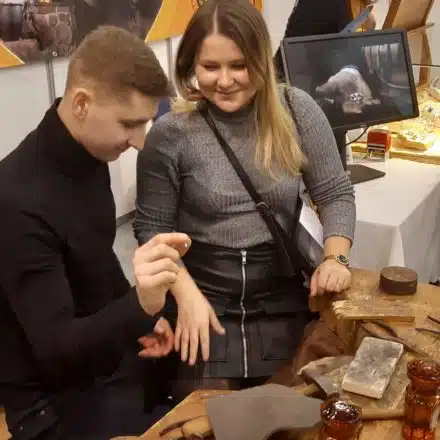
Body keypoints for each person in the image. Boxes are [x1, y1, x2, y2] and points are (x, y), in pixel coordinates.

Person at [133, 0, 356, 404]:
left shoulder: (297, 111)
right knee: (208, 420)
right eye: (210, 66)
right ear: (191, 65)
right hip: (204, 301)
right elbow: (152, 230)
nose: (224, 80)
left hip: (283, 299)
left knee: (297, 413)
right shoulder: (171, 134)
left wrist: (335, 258)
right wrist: (185, 294)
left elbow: (334, 192)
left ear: (261, 60)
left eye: (238, 65)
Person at [0, 25, 191, 440]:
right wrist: (138, 306)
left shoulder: (88, 154)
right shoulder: (17, 202)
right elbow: (56, 349)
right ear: (82, 104)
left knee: (200, 374)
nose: (139, 142)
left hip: (98, 367)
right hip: (50, 405)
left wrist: (141, 318)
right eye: (129, 124)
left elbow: (97, 259)